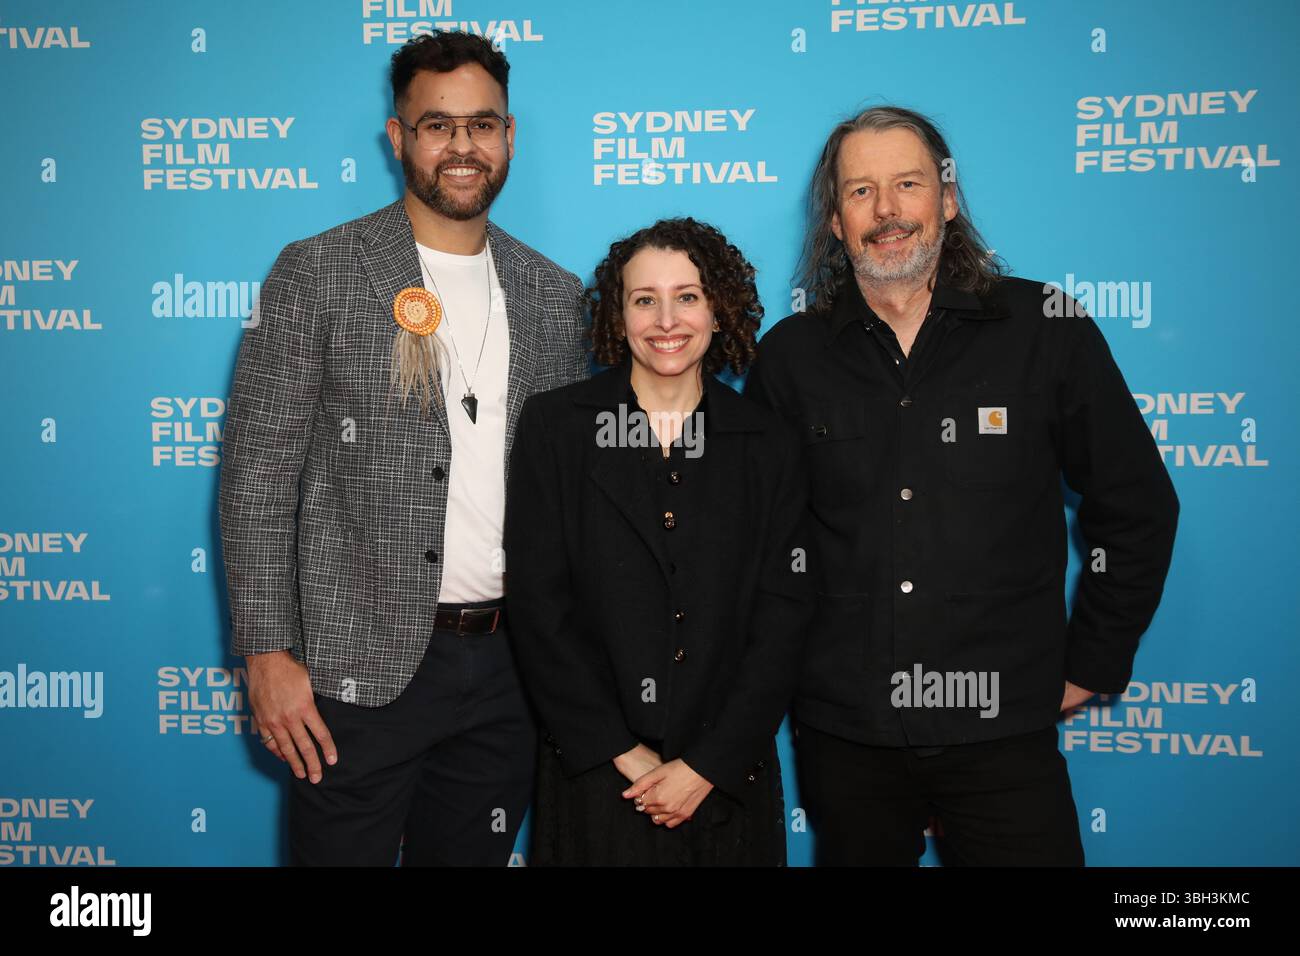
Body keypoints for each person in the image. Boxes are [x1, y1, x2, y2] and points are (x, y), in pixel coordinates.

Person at [745, 106, 1179, 865]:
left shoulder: (1047, 328)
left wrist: (1091, 664)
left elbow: (1136, 504)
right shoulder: (790, 359)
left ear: (947, 198)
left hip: (1005, 728)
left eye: (908, 184)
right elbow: (755, 543)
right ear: (836, 223)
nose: (887, 211)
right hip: (848, 732)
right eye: (861, 192)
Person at [218, 31, 588, 866]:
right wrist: (266, 653)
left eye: (483, 125)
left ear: (510, 136)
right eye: (437, 125)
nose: (463, 147)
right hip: (356, 671)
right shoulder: (318, 272)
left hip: (510, 672)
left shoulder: (555, 294)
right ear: (398, 138)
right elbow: (258, 475)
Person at [504, 218, 814, 865]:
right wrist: (621, 750)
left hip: (726, 780)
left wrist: (708, 763)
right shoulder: (557, 429)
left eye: (688, 296)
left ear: (719, 308)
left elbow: (783, 617)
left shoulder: (769, 445)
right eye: (644, 299)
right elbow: (538, 606)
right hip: (597, 774)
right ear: (618, 315)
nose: (666, 319)